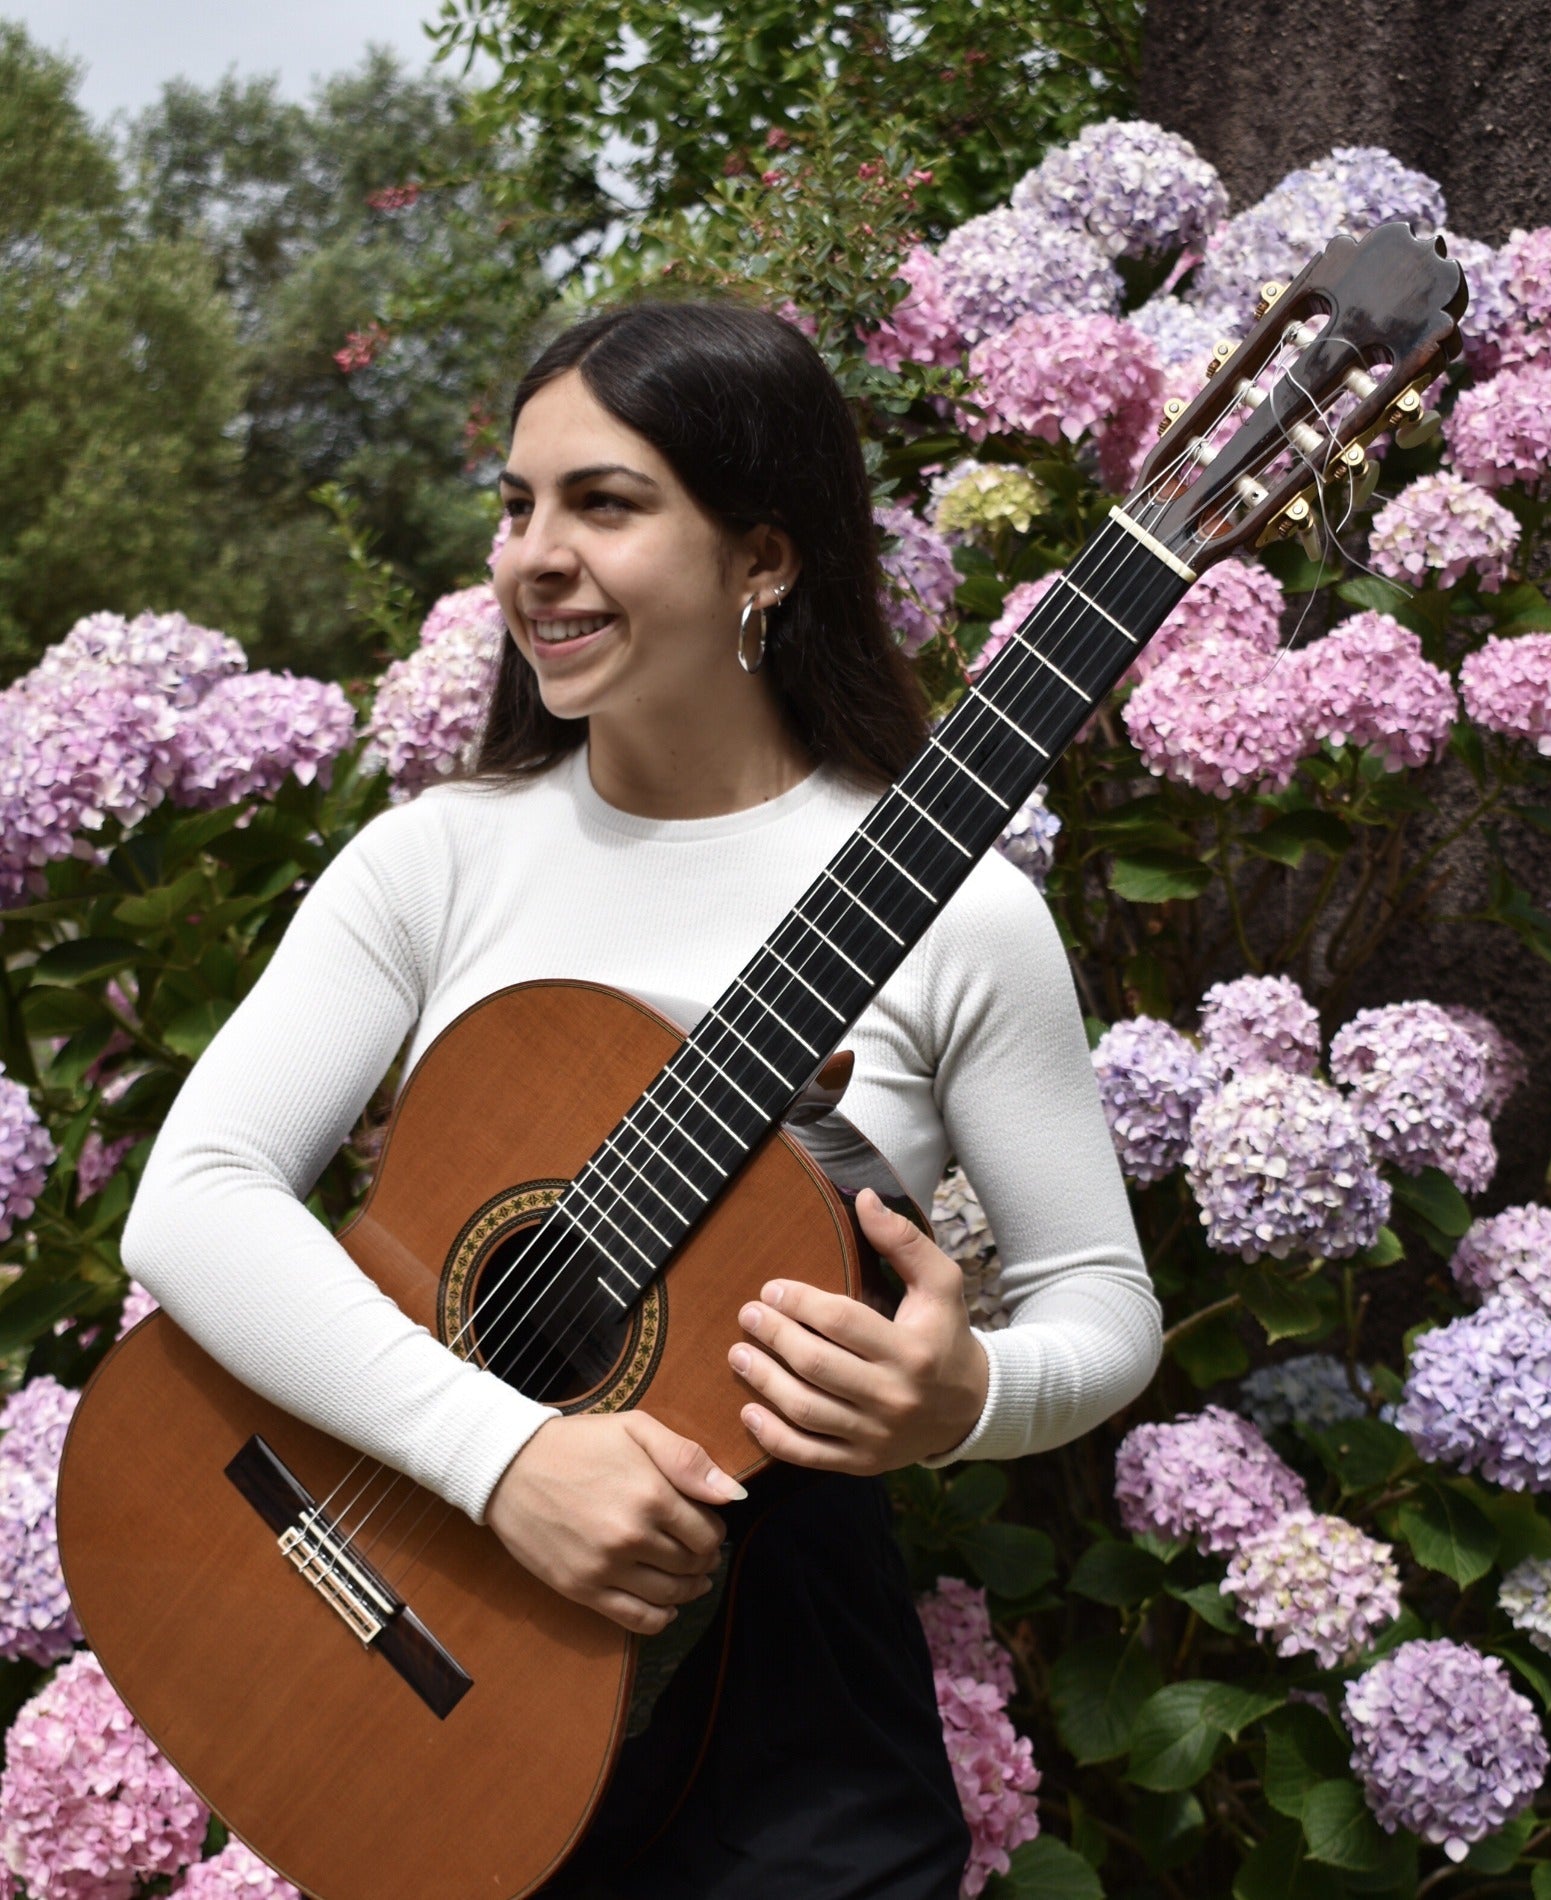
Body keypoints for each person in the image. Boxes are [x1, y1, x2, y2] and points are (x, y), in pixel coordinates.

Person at [121, 300, 1161, 1899]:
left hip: (792, 1746)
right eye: (516, 504)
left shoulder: (956, 910)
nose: (533, 553)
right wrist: (504, 1460)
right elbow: (192, 1198)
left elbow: (1100, 1303)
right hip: (433, 1670)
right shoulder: (438, 860)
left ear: (766, 557)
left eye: (603, 504)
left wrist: (965, 1401)